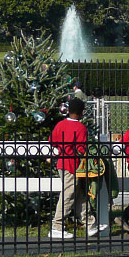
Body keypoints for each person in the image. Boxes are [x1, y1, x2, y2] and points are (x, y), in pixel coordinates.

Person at [49, 97, 100, 239]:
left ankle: (90, 224)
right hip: (73, 165)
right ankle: (57, 226)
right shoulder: (80, 128)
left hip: (62, 163)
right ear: (82, 112)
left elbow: (52, 141)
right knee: (68, 195)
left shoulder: (60, 125)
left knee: (79, 195)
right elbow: (82, 149)